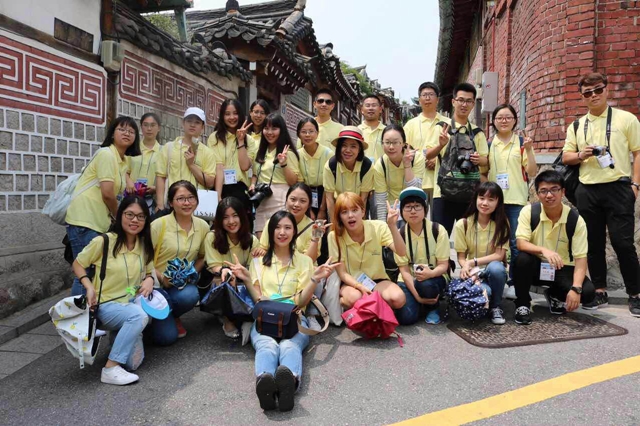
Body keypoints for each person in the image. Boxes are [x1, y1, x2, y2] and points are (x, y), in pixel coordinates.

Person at [224, 210, 339, 412]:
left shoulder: (304, 261)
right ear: (270, 231)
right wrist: (247, 279)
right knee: (266, 346)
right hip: (265, 318)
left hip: (295, 318)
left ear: (294, 232)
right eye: (277, 227)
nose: (282, 232)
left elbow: (301, 302)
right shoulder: (258, 261)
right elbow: (258, 299)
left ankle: (290, 384)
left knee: (288, 346)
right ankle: (265, 385)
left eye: (287, 227)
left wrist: (314, 280)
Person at [561, 72, 640, 316]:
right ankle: (599, 290)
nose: (593, 95)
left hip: (618, 187)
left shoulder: (626, 119)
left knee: (623, 243)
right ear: (582, 96)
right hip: (587, 189)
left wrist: (636, 185)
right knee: (592, 243)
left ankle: (635, 293)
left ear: (606, 89)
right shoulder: (577, 125)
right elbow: (566, 157)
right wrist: (581, 154)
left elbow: (638, 152)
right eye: (588, 92)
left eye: (598, 90)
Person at [72, 195, 154, 385]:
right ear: (120, 215)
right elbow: (78, 264)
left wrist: (149, 279)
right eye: (129, 214)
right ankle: (110, 368)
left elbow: (150, 271)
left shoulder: (144, 244)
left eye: (140, 216)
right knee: (138, 316)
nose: (135, 220)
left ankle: (119, 336)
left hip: (130, 301)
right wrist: (88, 286)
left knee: (133, 363)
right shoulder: (104, 242)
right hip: (105, 305)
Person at [66, 116, 141, 296]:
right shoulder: (106, 154)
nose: (127, 133)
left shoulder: (122, 160)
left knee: (92, 271)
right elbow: (107, 193)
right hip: (85, 220)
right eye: (121, 129)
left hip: (96, 221)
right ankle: (75, 312)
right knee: (85, 271)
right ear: (112, 133)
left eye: (131, 131)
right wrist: (119, 217)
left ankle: (87, 311)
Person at [513, 170, 596, 324]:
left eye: (554, 190)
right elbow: (520, 243)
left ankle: (555, 295)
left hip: (561, 268)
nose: (549, 195)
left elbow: (580, 258)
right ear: (537, 194)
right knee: (522, 259)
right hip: (536, 266)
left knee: (588, 292)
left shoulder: (575, 220)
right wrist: (543, 250)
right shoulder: (529, 212)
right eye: (543, 191)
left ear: (563, 192)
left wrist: (576, 289)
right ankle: (522, 303)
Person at [258, 183, 339, 329]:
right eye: (293, 199)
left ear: (309, 204)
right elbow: (263, 248)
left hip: (302, 268)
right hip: (278, 267)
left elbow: (310, 260)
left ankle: (310, 314)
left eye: (302, 201)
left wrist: (315, 237)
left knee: (315, 274)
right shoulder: (273, 221)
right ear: (286, 199)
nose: (296, 204)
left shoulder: (314, 226)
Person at [150, 181, 210, 345]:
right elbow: (143, 259)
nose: (187, 203)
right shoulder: (159, 225)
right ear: (171, 202)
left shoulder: (202, 226)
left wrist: (190, 274)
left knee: (190, 294)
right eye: (181, 199)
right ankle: (153, 318)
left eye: (191, 198)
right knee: (166, 338)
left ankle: (169, 315)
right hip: (154, 285)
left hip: (179, 287)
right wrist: (162, 278)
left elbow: (202, 257)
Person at [487, 104, 537, 298]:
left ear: (515, 120)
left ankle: (515, 282)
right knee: (495, 242)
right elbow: (484, 171)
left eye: (508, 117)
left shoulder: (522, 143)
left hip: (516, 200)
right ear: (494, 121)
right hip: (494, 202)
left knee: (516, 243)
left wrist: (529, 150)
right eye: (500, 117)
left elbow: (532, 171)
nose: (504, 121)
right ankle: (495, 279)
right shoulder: (489, 144)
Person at [426, 82, 489, 234]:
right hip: (442, 193)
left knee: (468, 237)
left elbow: (486, 161)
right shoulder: (441, 127)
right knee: (439, 237)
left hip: (469, 193)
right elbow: (428, 155)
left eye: (468, 101)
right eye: (460, 100)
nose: (464, 104)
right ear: (453, 101)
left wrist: (477, 159)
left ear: (473, 104)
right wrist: (440, 145)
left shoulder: (477, 132)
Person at [328, 192, 407, 310]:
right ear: (339, 216)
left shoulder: (379, 226)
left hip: (377, 280)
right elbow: (342, 273)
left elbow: (401, 252)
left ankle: (372, 309)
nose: (350, 215)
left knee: (398, 298)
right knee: (355, 298)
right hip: (351, 283)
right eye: (344, 212)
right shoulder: (334, 236)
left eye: (355, 210)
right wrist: (359, 286)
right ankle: (348, 305)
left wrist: (392, 226)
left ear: (363, 211)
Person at [453, 182, 510, 324]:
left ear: (498, 202)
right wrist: (467, 267)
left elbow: (499, 255)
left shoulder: (502, 224)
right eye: (482, 198)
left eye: (491, 199)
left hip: (492, 271)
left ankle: (496, 306)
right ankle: (487, 298)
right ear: (475, 199)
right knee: (485, 293)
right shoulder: (463, 224)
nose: (485, 203)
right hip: (473, 272)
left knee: (496, 268)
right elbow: (461, 257)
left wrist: (472, 262)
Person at [204, 197, 260, 338]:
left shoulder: (252, 239)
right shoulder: (212, 237)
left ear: (242, 216)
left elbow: (254, 269)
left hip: (245, 279)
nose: (231, 221)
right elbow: (213, 265)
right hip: (222, 279)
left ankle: (245, 317)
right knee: (228, 277)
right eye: (225, 217)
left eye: (235, 216)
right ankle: (227, 319)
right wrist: (225, 270)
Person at [394, 188, 451, 325]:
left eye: (417, 206)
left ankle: (432, 307)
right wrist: (417, 297)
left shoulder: (438, 230)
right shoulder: (399, 234)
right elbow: (404, 271)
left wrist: (431, 273)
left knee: (425, 284)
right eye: (408, 207)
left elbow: (443, 265)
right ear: (401, 212)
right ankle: (419, 302)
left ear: (425, 210)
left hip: (434, 277)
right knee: (406, 318)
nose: (413, 211)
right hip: (409, 279)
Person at [250, 113, 302, 236]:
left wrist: (284, 164)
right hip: (262, 199)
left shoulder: (288, 153)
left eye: (274, 128)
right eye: (266, 128)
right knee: (261, 239)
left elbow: (293, 182)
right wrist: (252, 184)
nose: (269, 132)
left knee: (279, 237)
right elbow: (255, 174)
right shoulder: (260, 152)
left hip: (281, 199)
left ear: (281, 130)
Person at [156, 107, 217, 210]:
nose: (192, 125)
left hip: (197, 207)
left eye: (197, 122)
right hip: (173, 205)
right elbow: (161, 177)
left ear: (203, 127)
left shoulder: (208, 152)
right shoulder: (169, 148)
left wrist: (191, 165)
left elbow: (210, 183)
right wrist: (160, 204)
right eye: (189, 121)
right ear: (183, 123)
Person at [404, 82, 451, 211]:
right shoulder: (410, 125)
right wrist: (422, 160)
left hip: (442, 182)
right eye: (424, 95)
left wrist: (437, 160)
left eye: (431, 94)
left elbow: (453, 151)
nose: (427, 98)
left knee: (439, 221)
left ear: (438, 99)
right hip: (417, 180)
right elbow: (404, 150)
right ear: (419, 100)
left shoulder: (448, 123)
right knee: (416, 218)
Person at [209, 99, 256, 225]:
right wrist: (218, 196)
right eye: (227, 114)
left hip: (240, 190)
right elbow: (218, 166)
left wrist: (240, 141)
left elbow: (245, 166)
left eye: (235, 113)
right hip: (221, 188)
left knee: (243, 229)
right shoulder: (215, 138)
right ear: (222, 116)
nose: (231, 117)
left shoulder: (249, 140)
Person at [373, 124, 425, 221]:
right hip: (392, 210)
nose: (391, 147)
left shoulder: (416, 158)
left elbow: (415, 190)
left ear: (403, 143)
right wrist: (382, 226)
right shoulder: (380, 165)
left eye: (395, 142)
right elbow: (381, 201)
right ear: (382, 144)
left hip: (413, 207)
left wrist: (407, 165)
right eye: (387, 142)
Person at [323, 127, 375, 221]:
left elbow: (363, 199)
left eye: (353, 146)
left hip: (358, 208)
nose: (348, 150)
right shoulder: (331, 166)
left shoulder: (367, 166)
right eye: (344, 145)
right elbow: (329, 198)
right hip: (338, 208)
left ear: (359, 149)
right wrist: (334, 223)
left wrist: (359, 223)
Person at [298, 118, 333, 220]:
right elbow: (299, 182)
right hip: (304, 194)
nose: (307, 135)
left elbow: (329, 184)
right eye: (304, 132)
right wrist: (308, 209)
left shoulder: (328, 154)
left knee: (323, 225)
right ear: (299, 134)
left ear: (317, 133)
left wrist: (322, 210)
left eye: (311, 131)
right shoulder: (297, 155)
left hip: (325, 195)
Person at [129, 113, 162, 212]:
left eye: (153, 125)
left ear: (159, 128)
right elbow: (123, 170)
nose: (149, 129)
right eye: (145, 125)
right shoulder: (132, 149)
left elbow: (167, 177)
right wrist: (129, 182)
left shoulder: (163, 152)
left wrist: (156, 188)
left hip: (153, 201)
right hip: (130, 198)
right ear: (141, 127)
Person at [358, 94, 386, 162]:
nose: (370, 108)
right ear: (362, 110)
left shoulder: (387, 131)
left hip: (381, 168)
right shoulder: (357, 131)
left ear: (380, 109)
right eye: (367, 105)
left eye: (374, 105)